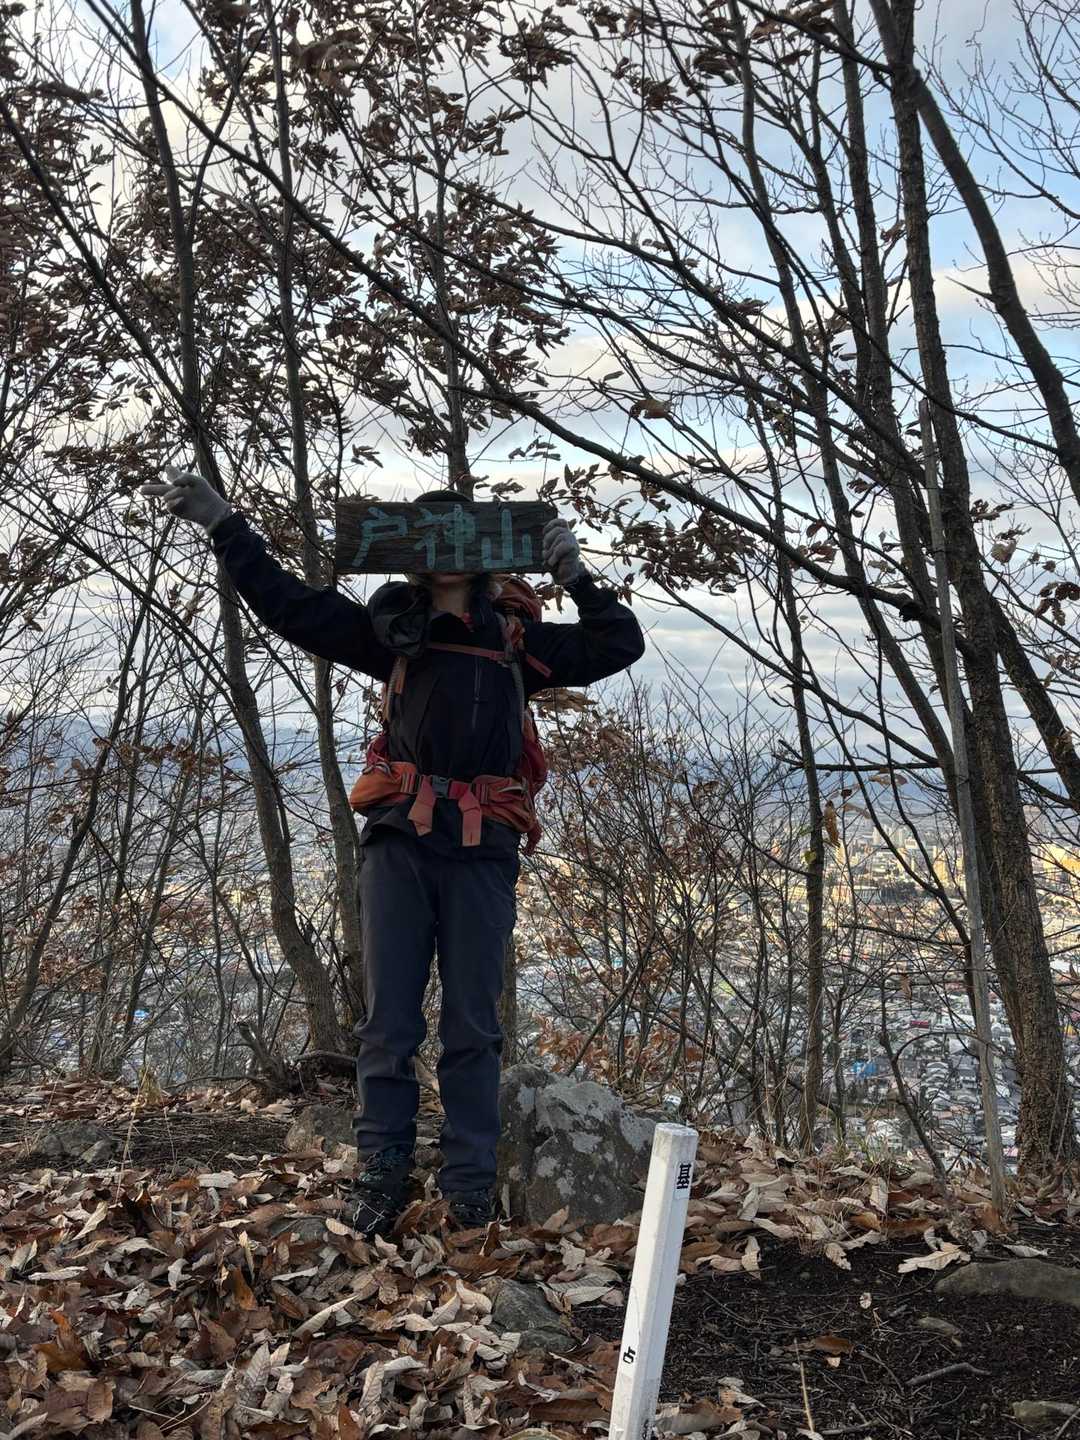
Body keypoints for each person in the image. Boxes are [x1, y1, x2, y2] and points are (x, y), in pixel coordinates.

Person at [140, 467, 645, 1235]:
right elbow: (290, 606)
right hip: (400, 840)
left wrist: (574, 574)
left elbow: (618, 642)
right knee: (390, 1022)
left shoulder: (516, 641)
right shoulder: (393, 633)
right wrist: (225, 526)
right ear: (413, 554)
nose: (446, 552)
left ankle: (468, 1182)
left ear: (481, 552)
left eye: (458, 535)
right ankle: (383, 1169)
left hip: (482, 845)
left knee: (472, 1023)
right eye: (431, 536)